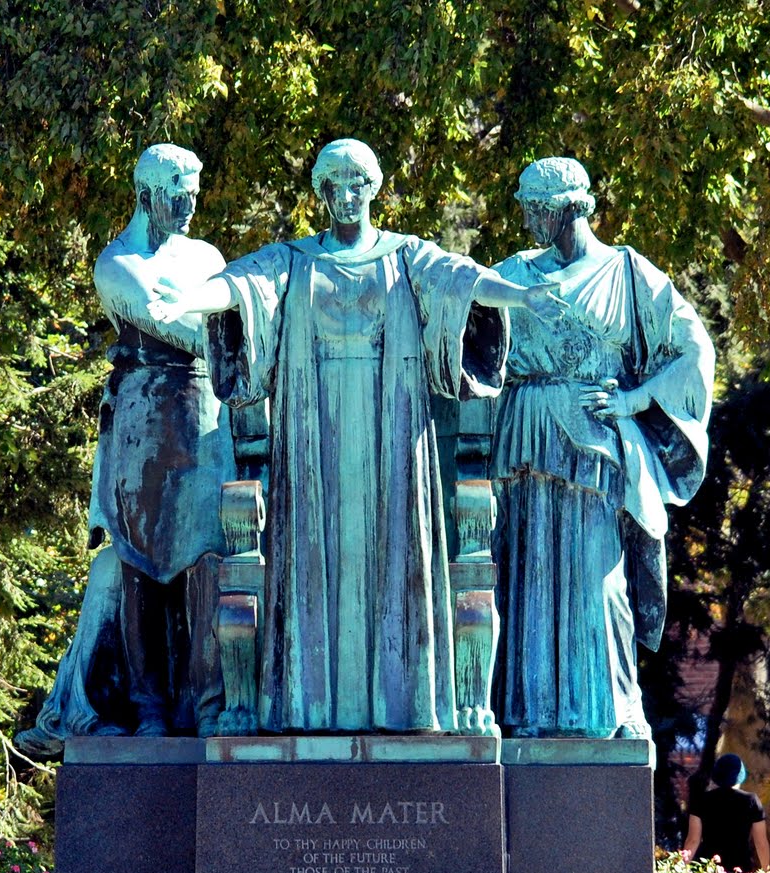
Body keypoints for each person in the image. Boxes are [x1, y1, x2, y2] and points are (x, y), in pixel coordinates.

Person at [148, 137, 564, 733]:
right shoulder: (293, 260)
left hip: (392, 439)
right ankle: (307, 705)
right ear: (320, 193)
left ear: (374, 188)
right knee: (316, 562)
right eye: (333, 184)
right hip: (313, 438)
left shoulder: (406, 256)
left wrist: (521, 296)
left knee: (395, 559)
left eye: (356, 183)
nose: (345, 195)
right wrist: (186, 301)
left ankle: (402, 705)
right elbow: (241, 289)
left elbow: (464, 281)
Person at [19, 144, 237, 750]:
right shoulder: (116, 265)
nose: (190, 207)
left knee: (206, 560)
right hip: (143, 419)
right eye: (179, 195)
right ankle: (149, 708)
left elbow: (221, 332)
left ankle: (209, 703)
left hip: (205, 413)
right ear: (146, 196)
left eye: (195, 194)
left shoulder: (206, 256)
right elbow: (182, 326)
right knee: (141, 561)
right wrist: (221, 325)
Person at [488, 157, 715, 739]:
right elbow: (467, 331)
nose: (526, 218)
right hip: (525, 441)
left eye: (534, 207)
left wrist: (638, 400)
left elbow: (695, 349)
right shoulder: (513, 272)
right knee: (528, 578)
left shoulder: (627, 273)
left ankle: (614, 708)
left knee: (599, 580)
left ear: (566, 207)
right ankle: (528, 715)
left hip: (596, 446)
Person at [684, 754, 770, 872]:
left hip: (709, 869)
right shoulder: (751, 801)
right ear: (740, 776)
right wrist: (766, 872)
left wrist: (682, 870)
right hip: (741, 870)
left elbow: (693, 840)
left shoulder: (702, 800)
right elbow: (760, 842)